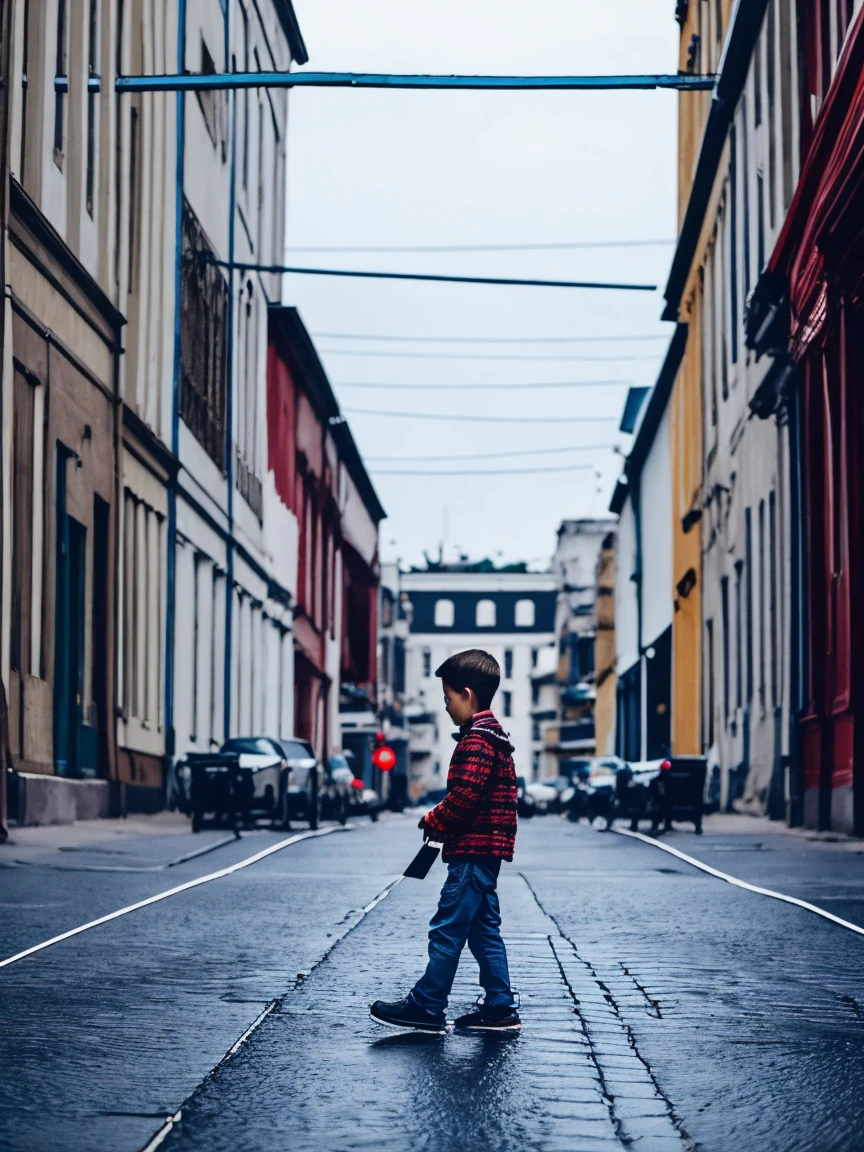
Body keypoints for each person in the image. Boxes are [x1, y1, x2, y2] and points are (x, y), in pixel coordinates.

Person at [370, 649, 520, 1034]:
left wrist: (433, 818)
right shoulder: (493, 737)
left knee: (447, 928)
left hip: (473, 853)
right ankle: (499, 1007)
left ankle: (427, 1004)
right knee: (483, 928)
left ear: (467, 695)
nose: (446, 706)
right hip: (487, 853)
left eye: (448, 698)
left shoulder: (477, 742)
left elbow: (464, 797)